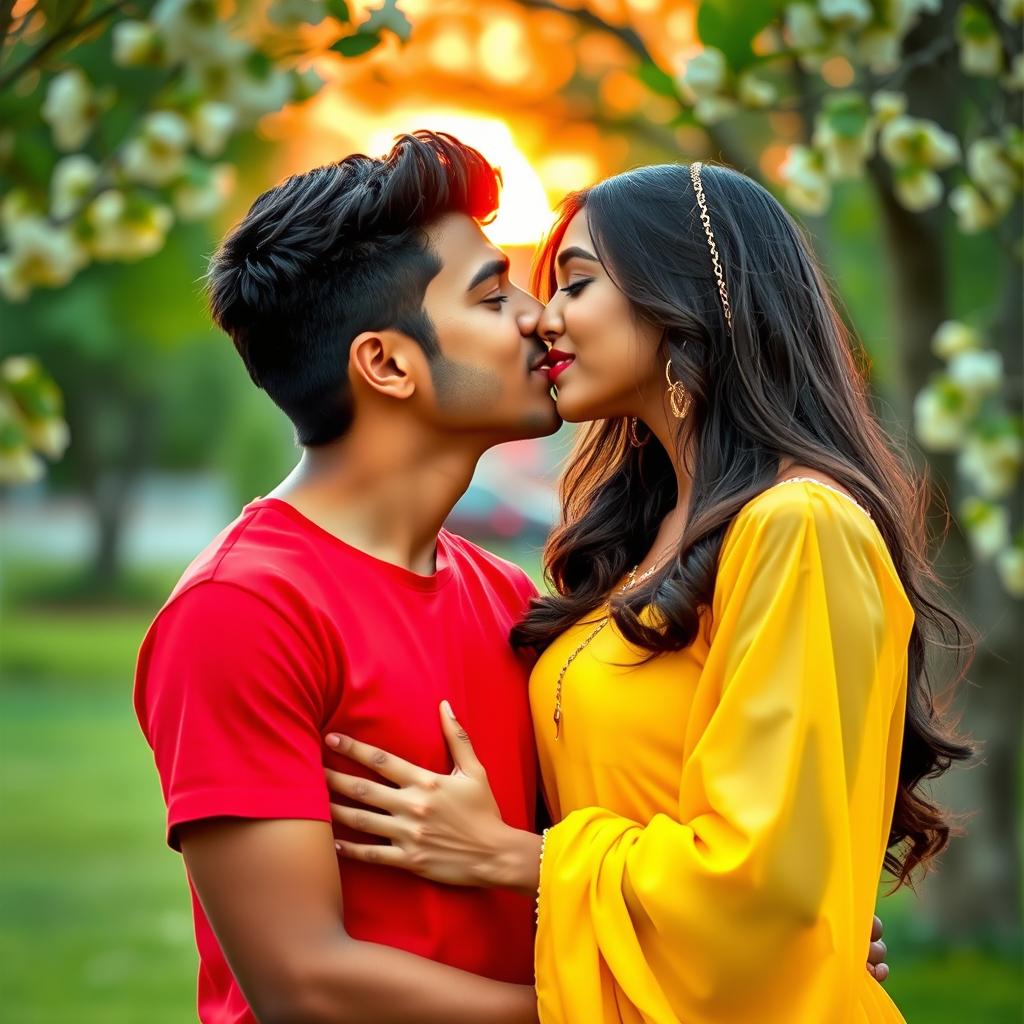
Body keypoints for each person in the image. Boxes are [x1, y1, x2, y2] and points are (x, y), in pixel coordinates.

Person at [320, 161, 970, 1023]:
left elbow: (763, 882)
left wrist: (518, 860)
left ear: (686, 297)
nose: (544, 318)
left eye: (577, 282)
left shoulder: (799, 528)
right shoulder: (638, 546)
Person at [134, 131, 559, 1024]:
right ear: (388, 362)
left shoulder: (508, 596)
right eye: (492, 293)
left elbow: (574, 868)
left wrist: (726, 935)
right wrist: (633, 1008)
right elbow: (306, 984)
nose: (538, 315)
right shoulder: (242, 609)